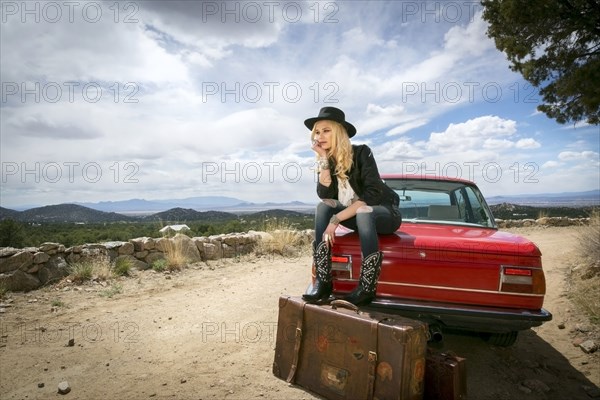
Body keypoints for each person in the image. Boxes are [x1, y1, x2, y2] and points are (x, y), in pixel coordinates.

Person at [301, 107, 402, 306]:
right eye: (317, 132)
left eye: (326, 130)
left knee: (364, 211)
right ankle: (323, 282)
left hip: (384, 214)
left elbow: (371, 196)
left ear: (339, 132)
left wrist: (336, 220)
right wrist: (323, 160)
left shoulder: (362, 152)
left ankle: (366, 287)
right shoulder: (328, 161)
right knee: (323, 206)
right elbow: (325, 195)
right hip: (356, 216)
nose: (320, 136)